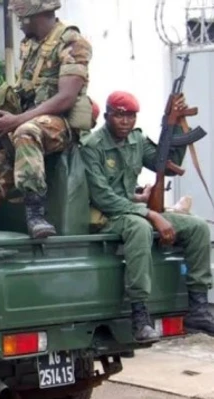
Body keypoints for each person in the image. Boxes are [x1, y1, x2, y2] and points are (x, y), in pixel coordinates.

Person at [0, 0, 92, 239]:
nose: (17, 22)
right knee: (1, 156)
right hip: (29, 122)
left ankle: (35, 212)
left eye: (19, 16)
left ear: (32, 15)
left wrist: (17, 121)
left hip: (59, 125)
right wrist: (4, 117)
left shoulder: (72, 43)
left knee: (25, 131)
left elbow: (66, 98)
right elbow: (25, 92)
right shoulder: (30, 46)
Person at [81, 91, 214, 342]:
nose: (126, 121)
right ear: (107, 115)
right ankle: (140, 316)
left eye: (131, 116)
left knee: (198, 228)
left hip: (136, 210)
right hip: (107, 216)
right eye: (120, 115)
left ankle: (198, 307)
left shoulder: (136, 140)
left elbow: (168, 164)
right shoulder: (93, 147)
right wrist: (151, 213)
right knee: (139, 227)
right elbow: (102, 197)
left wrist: (173, 125)